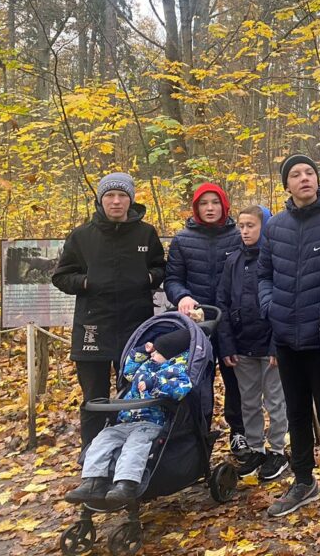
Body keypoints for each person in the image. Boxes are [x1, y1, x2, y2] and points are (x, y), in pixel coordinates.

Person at [258, 154, 320, 518]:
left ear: (317, 178)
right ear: (287, 184)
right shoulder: (275, 226)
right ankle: (303, 480)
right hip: (286, 337)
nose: (304, 178)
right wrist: (271, 307)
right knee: (295, 412)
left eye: (309, 172)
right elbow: (263, 274)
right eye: (295, 174)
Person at [53, 172, 167, 448]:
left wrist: (147, 278)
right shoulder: (82, 236)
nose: (116, 201)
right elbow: (61, 276)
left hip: (136, 326)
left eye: (122, 196)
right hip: (92, 327)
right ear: (100, 199)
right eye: (110, 196)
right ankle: (92, 457)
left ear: (131, 200)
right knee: (95, 399)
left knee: (134, 395)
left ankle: (128, 456)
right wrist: (87, 282)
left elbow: (160, 267)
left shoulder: (145, 233)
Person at [65, 328, 193, 505]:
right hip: (127, 420)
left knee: (136, 444)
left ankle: (126, 484)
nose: (153, 354)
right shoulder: (146, 366)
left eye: (157, 352)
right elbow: (128, 370)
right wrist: (141, 351)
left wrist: (154, 383)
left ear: (170, 356)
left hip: (151, 422)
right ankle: (93, 481)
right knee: (103, 438)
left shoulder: (176, 371)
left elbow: (181, 390)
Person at [164, 183, 246, 456]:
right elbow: (172, 279)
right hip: (197, 324)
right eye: (203, 203)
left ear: (224, 205)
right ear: (196, 208)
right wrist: (182, 296)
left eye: (215, 202)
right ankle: (198, 439)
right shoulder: (182, 240)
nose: (210, 208)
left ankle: (240, 434)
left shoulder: (239, 236)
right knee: (197, 383)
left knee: (236, 381)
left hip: (233, 322)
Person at [216, 204, 289, 482]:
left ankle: (277, 450)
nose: (245, 231)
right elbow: (222, 302)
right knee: (248, 402)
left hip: (270, 346)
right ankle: (256, 448)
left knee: (275, 400)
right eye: (241, 226)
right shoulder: (233, 261)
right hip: (241, 345)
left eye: (251, 226)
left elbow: (283, 302)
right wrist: (227, 344)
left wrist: (276, 345)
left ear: (265, 227)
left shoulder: (276, 259)